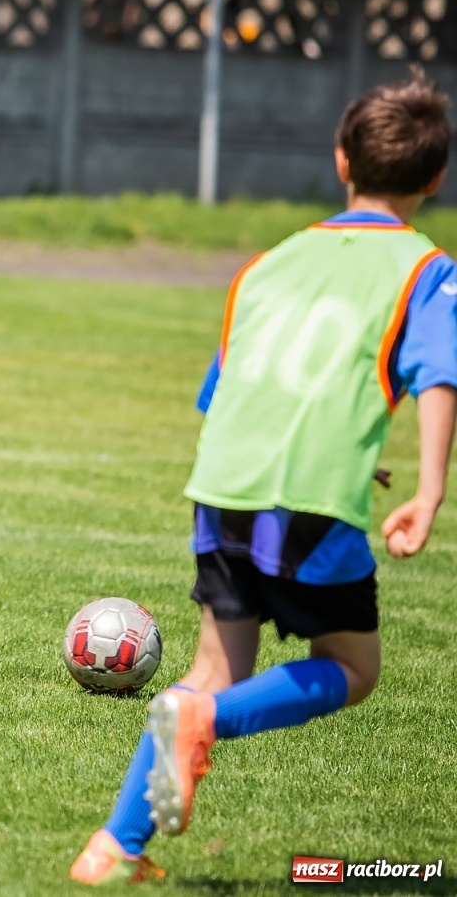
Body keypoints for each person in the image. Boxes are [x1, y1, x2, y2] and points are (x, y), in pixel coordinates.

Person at [71, 69, 456, 885]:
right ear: (436, 178)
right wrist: (429, 491)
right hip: (305, 493)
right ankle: (203, 721)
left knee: (211, 670)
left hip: (224, 479)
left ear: (340, 162)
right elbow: (438, 376)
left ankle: (112, 850)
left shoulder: (270, 261)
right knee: (352, 667)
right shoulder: (428, 270)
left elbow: (226, 387)